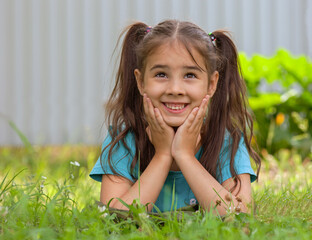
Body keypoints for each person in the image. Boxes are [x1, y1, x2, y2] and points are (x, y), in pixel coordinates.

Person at [90, 20, 261, 215]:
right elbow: (114, 219)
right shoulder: (123, 141)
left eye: (189, 75)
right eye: (161, 74)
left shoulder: (227, 141)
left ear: (212, 84)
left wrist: (185, 156)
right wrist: (162, 155)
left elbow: (240, 219)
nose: (175, 89)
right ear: (140, 81)